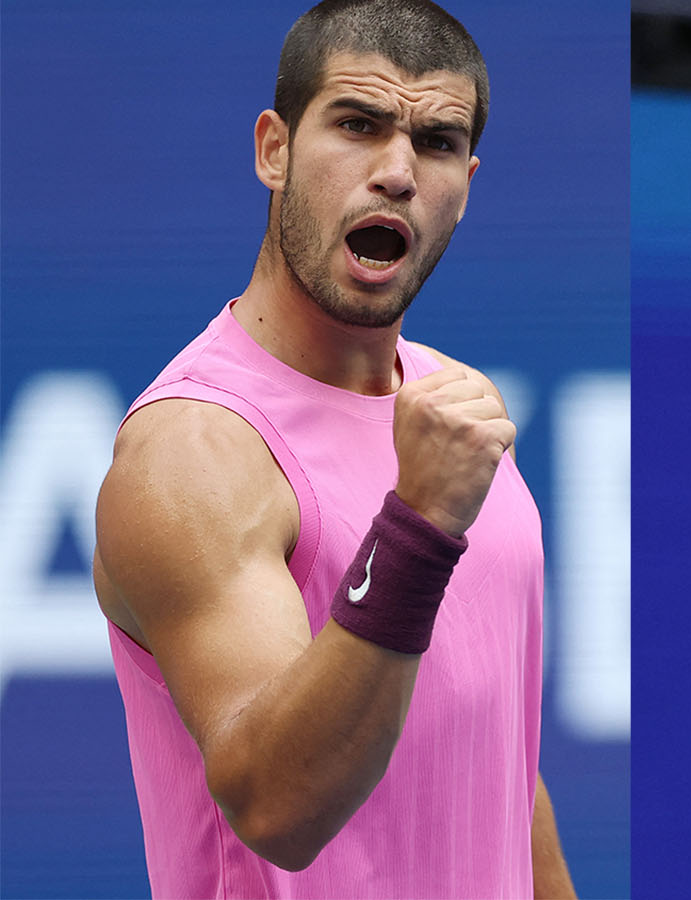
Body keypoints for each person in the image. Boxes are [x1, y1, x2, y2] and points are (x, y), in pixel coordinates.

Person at [91, 1, 575, 896]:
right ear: (274, 149)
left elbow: (493, 752)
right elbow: (279, 807)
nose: (396, 172)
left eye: (436, 143)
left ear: (466, 183)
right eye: (358, 125)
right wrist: (419, 525)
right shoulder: (194, 452)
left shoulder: (455, 408)